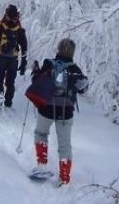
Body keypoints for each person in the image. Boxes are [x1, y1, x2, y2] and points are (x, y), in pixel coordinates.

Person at [31, 38, 88, 186]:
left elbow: (36, 81)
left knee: (41, 133)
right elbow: (83, 90)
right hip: (65, 111)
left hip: (47, 108)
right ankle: (64, 178)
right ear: (73, 52)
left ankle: (42, 165)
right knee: (65, 145)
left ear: (58, 48)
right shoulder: (75, 69)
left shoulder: (48, 63)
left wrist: (35, 70)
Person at [0, 4, 27, 109]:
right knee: (11, 81)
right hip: (13, 59)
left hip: (1, 57)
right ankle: (8, 102)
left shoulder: (1, 27)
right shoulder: (19, 30)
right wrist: (24, 62)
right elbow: (24, 47)